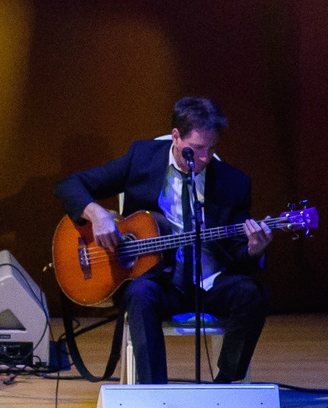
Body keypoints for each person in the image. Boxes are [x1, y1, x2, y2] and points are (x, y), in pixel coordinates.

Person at [56, 97, 272, 384]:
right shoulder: (142, 158)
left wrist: (253, 249)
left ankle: (226, 386)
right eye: (196, 150)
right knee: (140, 294)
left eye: (211, 149)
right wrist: (96, 214)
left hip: (209, 284)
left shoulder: (234, 182)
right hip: (157, 281)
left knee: (252, 294)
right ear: (175, 136)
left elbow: (238, 255)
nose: (205, 158)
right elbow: (70, 185)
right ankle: (154, 393)